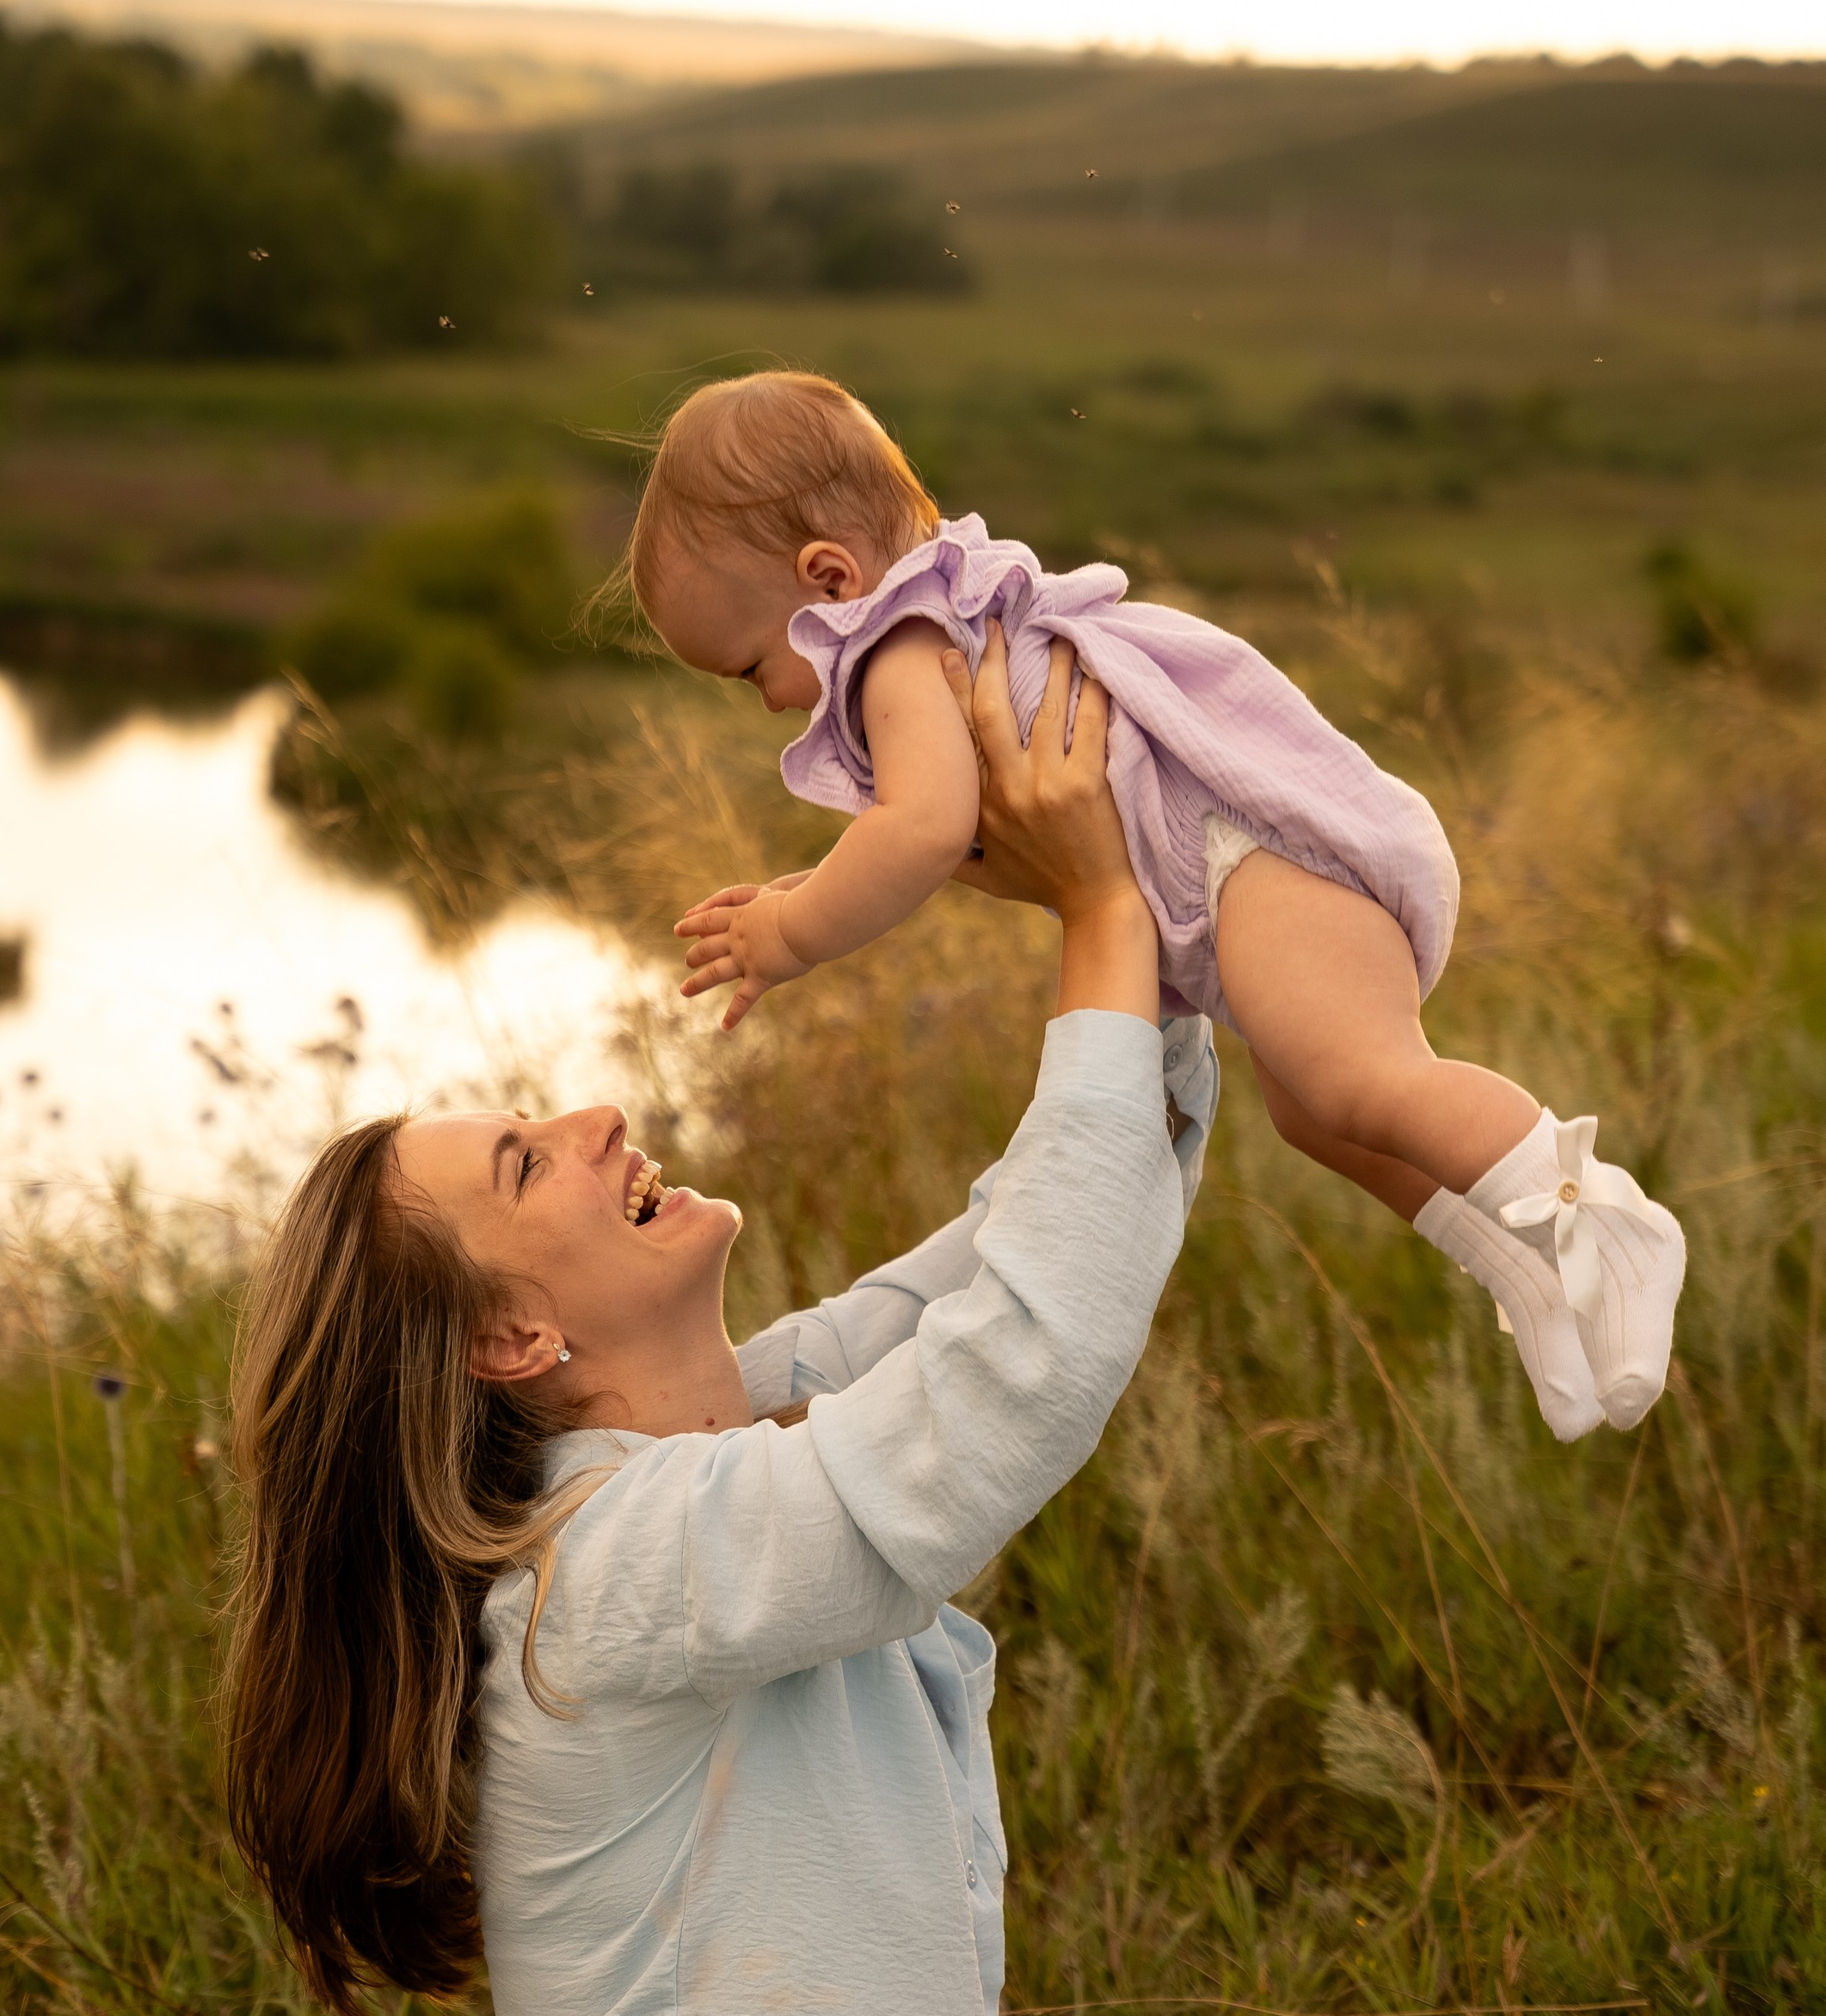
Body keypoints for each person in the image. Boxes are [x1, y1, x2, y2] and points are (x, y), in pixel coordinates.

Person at [221, 643, 1810, 2016]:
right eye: (527, 1158)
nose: (592, 1117)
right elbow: (1013, 1390)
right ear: (517, 1335)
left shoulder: (729, 1438)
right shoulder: (610, 1570)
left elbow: (1024, 1267)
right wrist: (1081, 932)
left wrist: (1161, 912)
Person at [634, 367, 1683, 1447]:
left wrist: (792, 934)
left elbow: (924, 830)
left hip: (1241, 856)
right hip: (1226, 886)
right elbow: (922, 826)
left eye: (749, 664)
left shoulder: (896, 648)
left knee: (1356, 1080)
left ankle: (1605, 1219)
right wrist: (807, 885)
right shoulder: (935, 618)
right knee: (1311, 1113)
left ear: (827, 575)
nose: (761, 696)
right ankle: (1530, 1272)